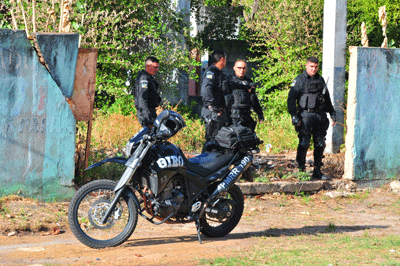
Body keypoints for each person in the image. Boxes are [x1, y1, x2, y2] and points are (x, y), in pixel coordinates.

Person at [287, 56, 336, 180]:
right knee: (304, 143)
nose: (314, 69)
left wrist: (332, 113)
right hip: (305, 116)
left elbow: (327, 98)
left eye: (316, 67)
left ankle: (317, 170)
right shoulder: (299, 80)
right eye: (311, 67)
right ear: (306, 66)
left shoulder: (320, 80)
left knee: (320, 144)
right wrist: (294, 116)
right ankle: (301, 169)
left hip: (319, 116)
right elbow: (291, 99)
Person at [201, 49, 228, 152]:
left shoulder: (219, 73)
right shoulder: (211, 72)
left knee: (218, 141)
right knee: (211, 140)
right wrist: (213, 107)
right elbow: (206, 90)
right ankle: (203, 163)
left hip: (219, 112)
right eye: (225, 59)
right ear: (222, 59)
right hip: (213, 112)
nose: (225, 61)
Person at [226, 60, 264, 131]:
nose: (241, 70)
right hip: (233, 115)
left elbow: (254, 100)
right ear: (234, 68)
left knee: (249, 137)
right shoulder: (229, 81)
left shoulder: (249, 82)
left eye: (244, 68)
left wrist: (260, 114)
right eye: (239, 68)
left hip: (246, 114)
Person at [133, 56, 162, 128]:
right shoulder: (144, 79)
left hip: (150, 112)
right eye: (155, 67)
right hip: (146, 114)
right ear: (148, 66)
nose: (157, 70)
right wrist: (148, 118)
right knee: (148, 137)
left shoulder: (149, 78)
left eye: (158, 67)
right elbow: (142, 99)